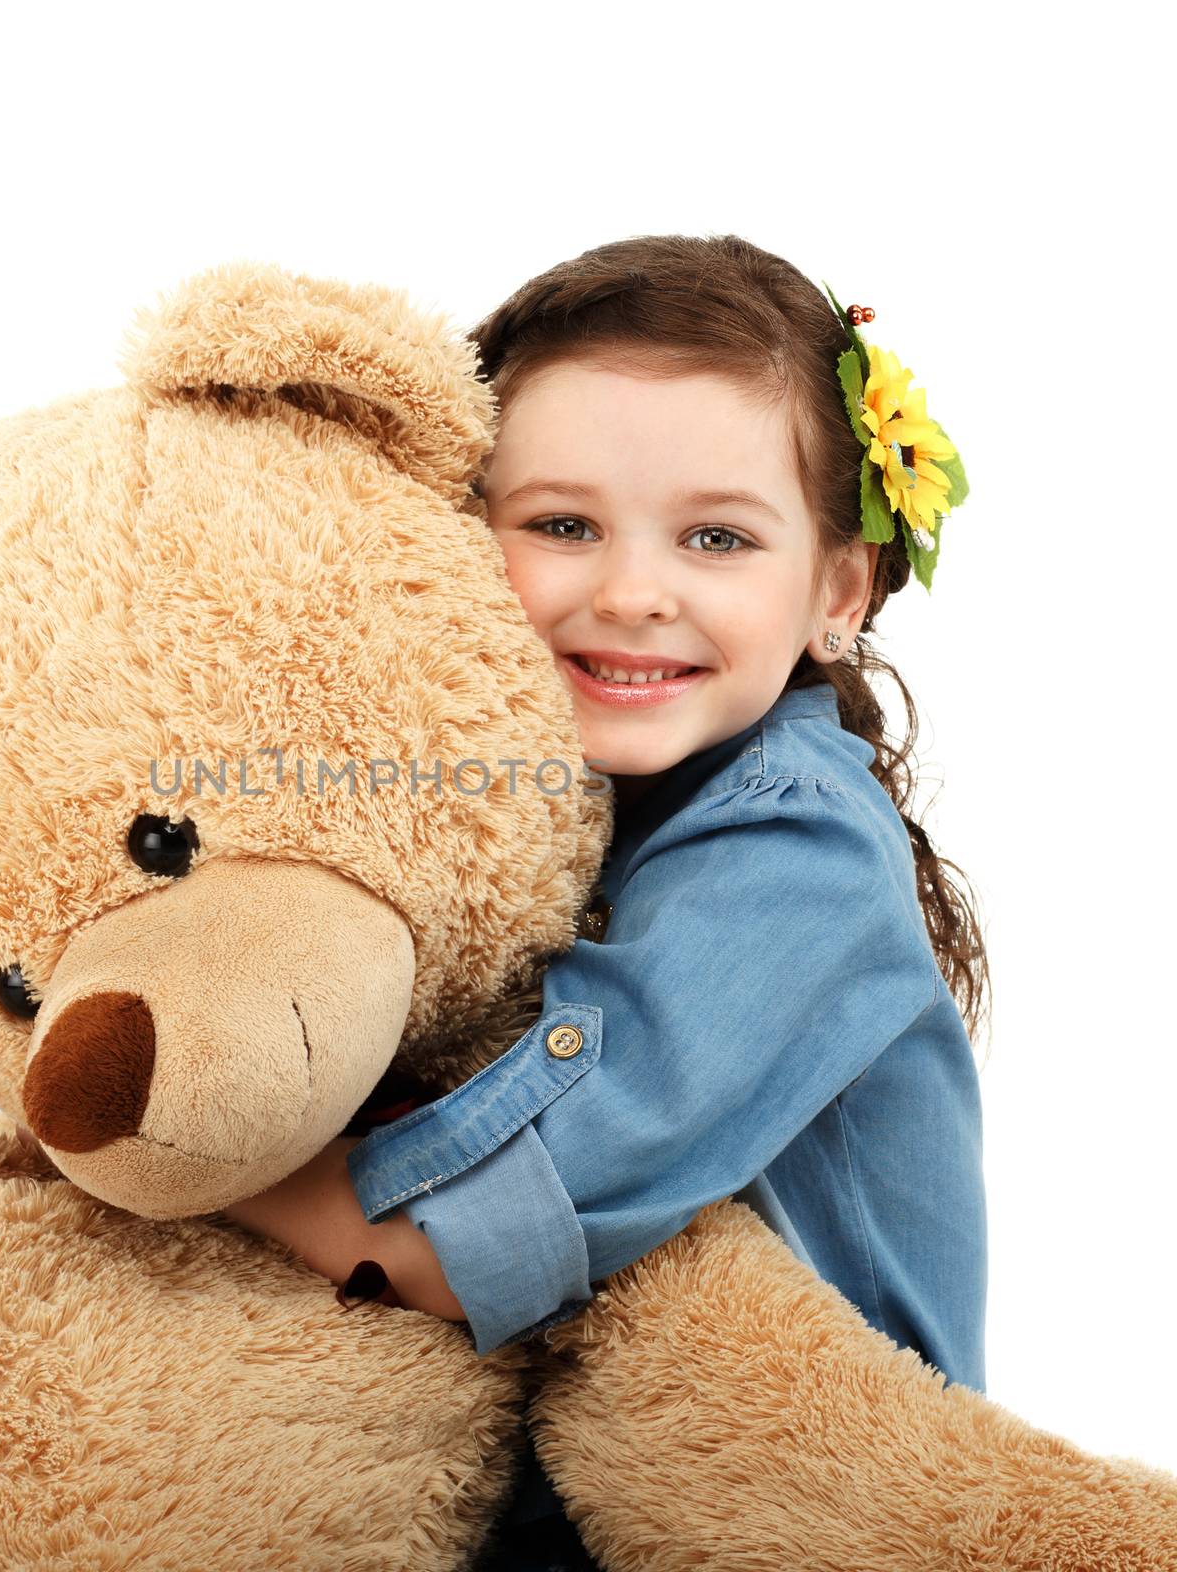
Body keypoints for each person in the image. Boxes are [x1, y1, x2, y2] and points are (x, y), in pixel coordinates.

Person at [222, 234, 989, 1571]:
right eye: (563, 526)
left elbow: (456, 1244)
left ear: (838, 590)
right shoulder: (505, 805)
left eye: (717, 537)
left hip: (791, 1517)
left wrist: (169, 1161)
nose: (633, 592)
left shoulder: (796, 854)